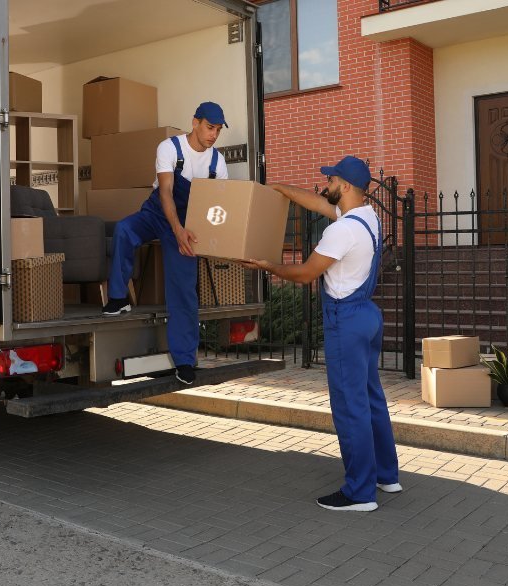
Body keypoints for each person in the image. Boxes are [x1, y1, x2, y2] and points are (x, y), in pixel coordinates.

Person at [242, 156, 400, 512]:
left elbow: (304, 274)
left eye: (330, 180)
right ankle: (386, 475)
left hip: (346, 319)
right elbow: (316, 202)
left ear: (344, 186)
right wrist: (282, 188)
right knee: (371, 398)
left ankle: (360, 493)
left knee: (349, 406)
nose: (324, 185)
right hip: (368, 315)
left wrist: (267, 266)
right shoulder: (367, 218)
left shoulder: (341, 231)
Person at [102, 102, 229, 385]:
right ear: (195, 122)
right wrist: (176, 228)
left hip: (190, 221)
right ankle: (118, 298)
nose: (213, 135)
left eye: (218, 130)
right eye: (210, 127)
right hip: (159, 211)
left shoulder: (217, 162)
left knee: (183, 288)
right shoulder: (169, 148)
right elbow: (167, 192)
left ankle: (184, 360)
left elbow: (217, 204)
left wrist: (199, 236)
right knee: (124, 230)